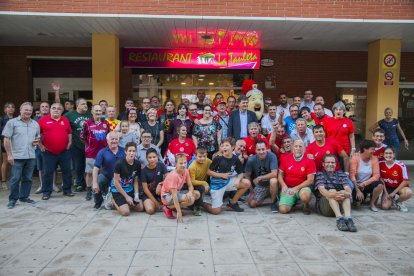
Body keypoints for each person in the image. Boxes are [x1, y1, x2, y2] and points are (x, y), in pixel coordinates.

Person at [2, 102, 40, 209]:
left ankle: (24, 197)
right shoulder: (12, 123)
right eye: (25, 110)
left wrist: (36, 142)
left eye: (29, 110)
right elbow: (6, 139)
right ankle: (13, 199)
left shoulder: (35, 124)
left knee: (28, 178)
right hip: (17, 156)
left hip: (30, 156)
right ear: (20, 110)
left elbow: (37, 138)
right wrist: (9, 155)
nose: (28, 112)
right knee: (15, 179)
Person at [203, 138, 251, 214]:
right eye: (222, 146)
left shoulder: (235, 159)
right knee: (216, 211)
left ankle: (232, 203)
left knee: (247, 183)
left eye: (226, 145)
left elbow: (241, 173)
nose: (224, 147)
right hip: (217, 184)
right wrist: (221, 175)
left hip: (228, 182)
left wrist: (238, 180)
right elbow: (208, 172)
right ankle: (201, 203)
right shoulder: (218, 158)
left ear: (233, 147)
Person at [38, 103, 74, 200]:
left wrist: (69, 142)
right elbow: (36, 134)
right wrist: (40, 145)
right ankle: (46, 192)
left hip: (64, 151)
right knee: (47, 173)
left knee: (67, 171)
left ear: (62, 111)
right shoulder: (43, 120)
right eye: (54, 108)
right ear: (50, 110)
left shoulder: (65, 120)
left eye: (59, 108)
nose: (56, 110)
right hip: (48, 152)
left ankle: (67, 190)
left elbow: (69, 132)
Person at [314, 154, 356, 232]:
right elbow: (322, 190)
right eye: (328, 162)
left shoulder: (341, 174)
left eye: (332, 162)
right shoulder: (319, 174)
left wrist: (346, 193)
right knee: (331, 191)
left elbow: (347, 188)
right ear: (323, 164)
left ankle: (348, 218)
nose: (330, 164)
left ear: (335, 164)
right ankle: (339, 219)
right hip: (325, 207)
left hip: (340, 206)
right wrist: (333, 194)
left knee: (345, 192)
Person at [80, 104, 110, 200]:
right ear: (92, 112)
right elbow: (82, 137)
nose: (98, 113)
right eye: (96, 111)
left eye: (99, 111)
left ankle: (102, 190)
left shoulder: (106, 123)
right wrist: (90, 145)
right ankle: (89, 191)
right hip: (91, 153)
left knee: (103, 173)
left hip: (104, 153)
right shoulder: (87, 123)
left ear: (102, 112)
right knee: (89, 173)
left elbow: (109, 137)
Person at [278, 140, 315, 215]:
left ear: (304, 149)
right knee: (283, 210)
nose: (298, 148)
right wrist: (283, 185)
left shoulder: (309, 160)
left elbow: (310, 180)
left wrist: (295, 188)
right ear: (292, 148)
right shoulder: (285, 158)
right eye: (296, 146)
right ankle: (293, 201)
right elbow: (280, 175)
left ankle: (305, 205)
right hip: (288, 187)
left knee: (305, 195)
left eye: (300, 146)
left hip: (302, 188)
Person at [160, 153, 200, 222]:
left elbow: (190, 185)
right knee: (191, 200)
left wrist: (190, 192)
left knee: (197, 194)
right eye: (181, 163)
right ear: (176, 164)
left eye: (185, 163)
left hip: (176, 192)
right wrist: (179, 212)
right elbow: (174, 195)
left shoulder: (185, 171)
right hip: (167, 196)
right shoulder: (174, 176)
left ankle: (175, 206)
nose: (183, 165)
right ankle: (167, 207)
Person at [92, 132, 125, 209]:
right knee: (99, 179)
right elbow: (96, 168)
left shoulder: (124, 151)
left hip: (120, 178)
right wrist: (94, 183)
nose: (114, 141)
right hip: (106, 176)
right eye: (112, 139)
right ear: (107, 141)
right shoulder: (102, 152)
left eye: (116, 139)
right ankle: (98, 202)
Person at [65, 98, 92, 192]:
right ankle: (80, 184)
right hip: (76, 145)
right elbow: (65, 128)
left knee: (88, 165)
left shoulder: (90, 115)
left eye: (86, 104)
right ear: (77, 105)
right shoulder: (69, 115)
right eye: (83, 104)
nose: (85, 105)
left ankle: (89, 183)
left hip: (89, 146)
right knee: (79, 166)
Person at [245, 140, 279, 212]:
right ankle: (268, 196)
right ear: (255, 150)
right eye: (259, 150)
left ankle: (273, 202)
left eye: (263, 149)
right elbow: (247, 176)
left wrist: (260, 177)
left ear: (266, 148)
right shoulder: (251, 160)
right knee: (252, 203)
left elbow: (274, 173)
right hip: (261, 186)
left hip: (273, 184)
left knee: (273, 180)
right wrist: (251, 191)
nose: (261, 152)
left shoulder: (272, 156)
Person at [350, 140, 383, 212]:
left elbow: (376, 175)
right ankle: (363, 198)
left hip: (367, 183)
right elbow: (352, 175)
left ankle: (372, 203)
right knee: (357, 205)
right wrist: (358, 190)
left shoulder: (374, 159)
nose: (374, 151)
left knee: (380, 185)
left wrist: (364, 184)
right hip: (357, 184)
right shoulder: (355, 158)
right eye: (372, 149)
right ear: (365, 149)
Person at [111, 142, 143, 216]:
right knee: (126, 212)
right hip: (118, 190)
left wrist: (136, 195)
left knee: (140, 208)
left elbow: (135, 181)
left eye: (134, 151)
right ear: (126, 152)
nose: (132, 153)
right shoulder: (119, 164)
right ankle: (113, 201)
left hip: (129, 188)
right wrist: (127, 197)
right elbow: (116, 182)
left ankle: (126, 204)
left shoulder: (137, 164)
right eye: (130, 151)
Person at [380, 147, 412, 212]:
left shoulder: (401, 165)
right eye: (386, 153)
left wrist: (394, 193)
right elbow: (381, 179)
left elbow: (406, 181)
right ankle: (391, 200)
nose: (388, 155)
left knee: (408, 192)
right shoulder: (380, 164)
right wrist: (386, 193)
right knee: (385, 206)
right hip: (388, 188)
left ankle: (398, 202)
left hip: (399, 187)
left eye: (390, 153)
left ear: (394, 155)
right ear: (383, 155)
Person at [141, 148, 168, 215]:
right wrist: (156, 203)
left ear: (157, 157)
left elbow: (168, 178)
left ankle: (160, 203)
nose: (152, 159)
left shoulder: (161, 165)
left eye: (154, 157)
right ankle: (152, 203)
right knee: (150, 210)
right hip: (148, 194)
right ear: (146, 158)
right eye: (150, 157)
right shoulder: (143, 171)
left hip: (159, 192)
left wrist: (161, 184)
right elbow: (145, 189)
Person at [188, 147, 212, 216]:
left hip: (202, 182)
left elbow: (215, 165)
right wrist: (204, 183)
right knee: (201, 188)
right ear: (195, 156)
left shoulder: (207, 161)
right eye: (200, 156)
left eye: (204, 156)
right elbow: (192, 181)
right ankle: (197, 207)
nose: (202, 158)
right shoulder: (193, 166)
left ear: (206, 155)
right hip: (192, 184)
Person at [0, 102, 15, 187]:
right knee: (5, 161)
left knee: (15, 161)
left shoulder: (17, 119)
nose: (10, 109)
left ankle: (14, 178)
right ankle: (3, 180)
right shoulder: (2, 119)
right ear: (5, 109)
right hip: (5, 142)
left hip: (15, 143)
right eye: (8, 107)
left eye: (12, 107)